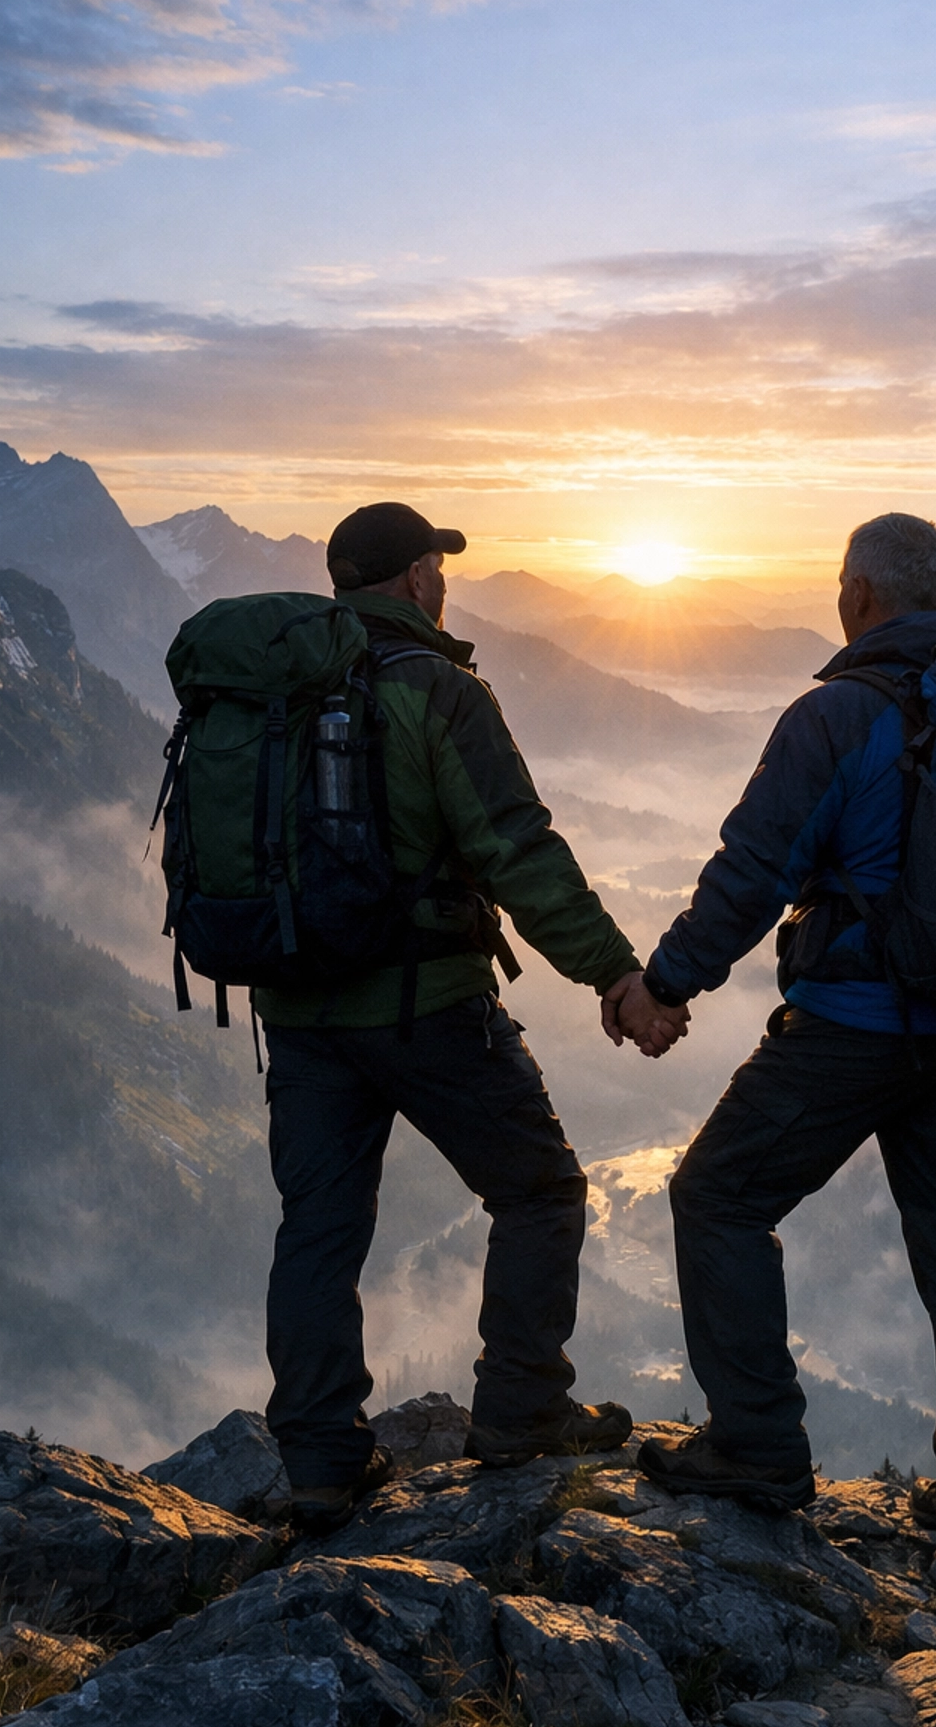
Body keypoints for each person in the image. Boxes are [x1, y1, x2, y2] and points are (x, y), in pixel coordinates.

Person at [607, 513, 936, 1573]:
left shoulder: (838, 714)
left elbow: (754, 869)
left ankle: (756, 1446)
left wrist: (664, 986)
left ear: (857, 595)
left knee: (717, 1196)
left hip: (854, 1025)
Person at [256, 499, 680, 1531]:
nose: (443, 581)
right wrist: (616, 977)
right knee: (540, 1189)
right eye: (436, 566)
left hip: (299, 1010)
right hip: (428, 1006)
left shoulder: (275, 689)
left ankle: (319, 1464)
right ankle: (522, 1408)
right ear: (414, 579)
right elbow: (515, 849)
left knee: (319, 1230)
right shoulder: (436, 689)